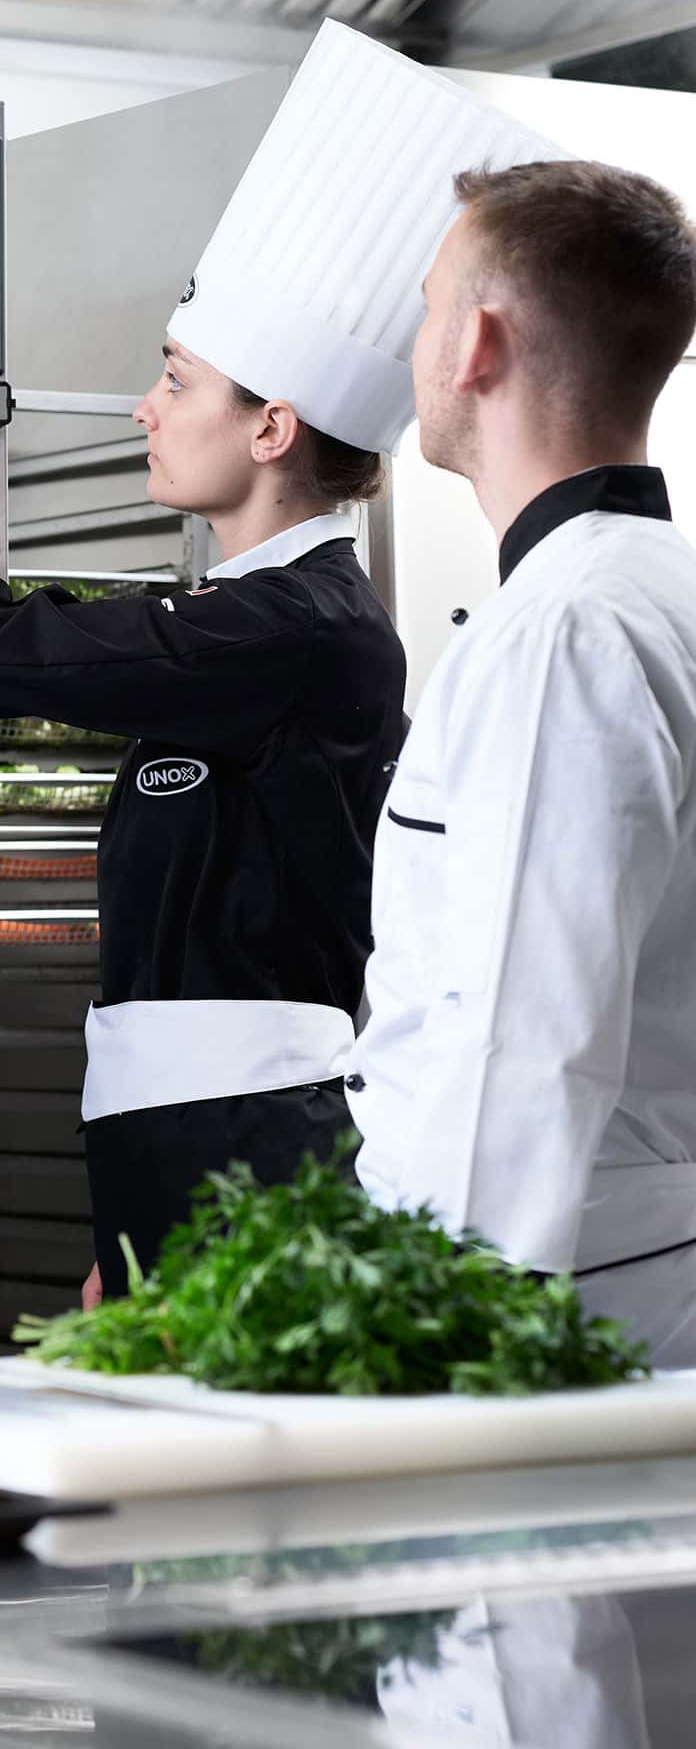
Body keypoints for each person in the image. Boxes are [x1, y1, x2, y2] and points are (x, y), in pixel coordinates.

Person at [0, 22, 556, 1305]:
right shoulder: (243, 623)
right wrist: (137, 1224)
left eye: (174, 380)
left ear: (270, 426)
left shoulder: (301, 630)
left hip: (257, 1145)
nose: (141, 409)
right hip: (188, 1150)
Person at [349, 158, 696, 1366]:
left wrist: (434, 1334)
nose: (415, 341)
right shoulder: (655, 590)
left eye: (430, 302)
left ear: (475, 344)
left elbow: (523, 1031)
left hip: (559, 1291)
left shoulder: (568, 629)